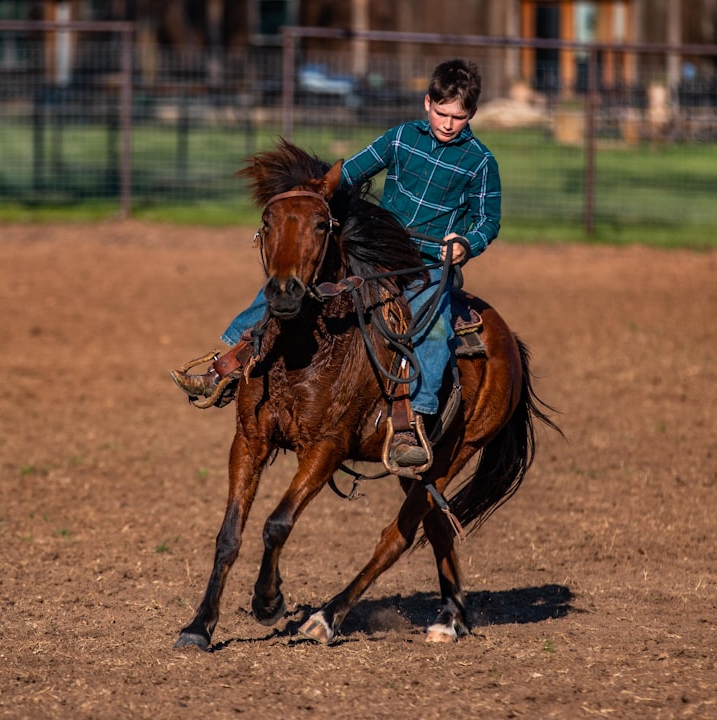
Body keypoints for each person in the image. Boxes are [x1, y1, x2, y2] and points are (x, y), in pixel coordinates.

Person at [171, 58, 501, 467]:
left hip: (430, 265)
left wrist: (467, 243)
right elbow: (352, 171)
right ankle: (230, 363)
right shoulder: (400, 139)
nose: (449, 124)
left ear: (471, 114)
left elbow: (488, 220)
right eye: (442, 112)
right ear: (427, 102)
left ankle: (410, 422)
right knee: (290, 282)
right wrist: (313, 196)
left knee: (432, 328)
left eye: (459, 116)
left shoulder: (480, 162)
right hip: (379, 250)